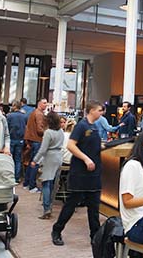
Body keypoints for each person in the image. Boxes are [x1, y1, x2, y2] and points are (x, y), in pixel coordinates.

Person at [52, 100, 104, 246]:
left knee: (94, 208)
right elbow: (71, 145)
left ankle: (95, 236)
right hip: (80, 173)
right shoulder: (81, 126)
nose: (102, 113)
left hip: (94, 174)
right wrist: (86, 159)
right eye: (100, 110)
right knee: (71, 204)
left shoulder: (94, 127)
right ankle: (57, 230)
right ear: (92, 110)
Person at [31, 111, 65, 220]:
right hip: (59, 157)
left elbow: (43, 149)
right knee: (54, 184)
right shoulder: (61, 131)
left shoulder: (48, 133)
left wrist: (35, 160)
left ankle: (46, 209)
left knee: (46, 183)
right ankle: (50, 205)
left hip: (50, 157)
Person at [23, 98, 48, 192]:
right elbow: (39, 129)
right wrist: (48, 133)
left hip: (32, 140)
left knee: (31, 162)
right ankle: (32, 186)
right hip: (37, 140)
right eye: (44, 103)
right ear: (39, 104)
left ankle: (27, 183)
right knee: (35, 163)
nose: (46, 105)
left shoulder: (34, 112)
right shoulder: (39, 114)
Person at [7, 101, 28, 183]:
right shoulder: (24, 116)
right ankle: (17, 178)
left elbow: (6, 128)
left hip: (11, 139)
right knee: (18, 159)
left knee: (9, 159)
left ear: (15, 106)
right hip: (20, 140)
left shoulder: (9, 116)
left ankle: (9, 176)